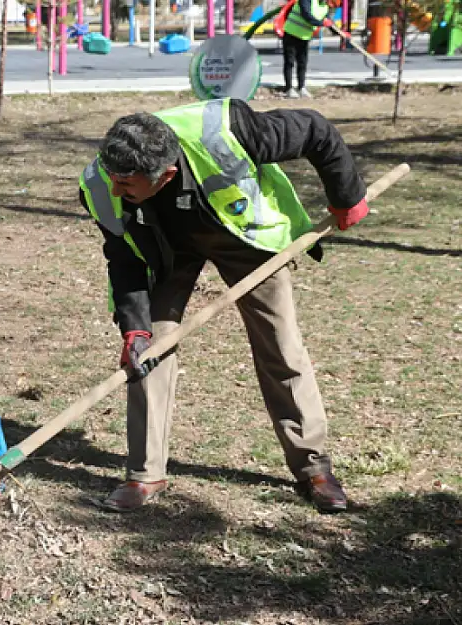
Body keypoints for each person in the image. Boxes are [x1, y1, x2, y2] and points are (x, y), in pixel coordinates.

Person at [78, 98, 369, 514]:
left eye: (127, 185)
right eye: (113, 177)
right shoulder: (100, 181)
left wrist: (347, 195)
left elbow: (315, 129)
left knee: (280, 344)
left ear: (166, 176)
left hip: (244, 238)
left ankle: (313, 467)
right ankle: (144, 474)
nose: (115, 188)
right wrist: (134, 330)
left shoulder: (229, 131)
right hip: (167, 249)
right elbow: (124, 258)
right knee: (148, 352)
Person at [279, 0, 337, 98]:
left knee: (302, 63)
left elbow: (328, 22)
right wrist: (322, 23)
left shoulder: (324, 7)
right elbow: (307, 16)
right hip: (291, 33)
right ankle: (288, 89)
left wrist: (341, 33)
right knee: (289, 62)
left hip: (304, 37)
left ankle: (301, 87)